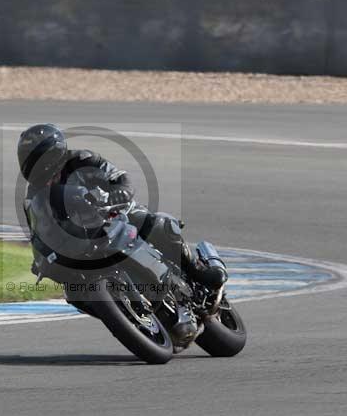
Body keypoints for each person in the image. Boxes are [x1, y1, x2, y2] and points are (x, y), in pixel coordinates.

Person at [17, 123, 227, 291]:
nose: (31, 164)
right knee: (73, 290)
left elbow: (118, 176)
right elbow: (39, 232)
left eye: (35, 158)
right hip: (81, 241)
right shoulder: (33, 196)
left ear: (53, 154)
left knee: (158, 224)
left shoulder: (82, 160)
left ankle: (196, 269)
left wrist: (120, 191)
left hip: (114, 213)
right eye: (27, 158)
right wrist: (41, 258)